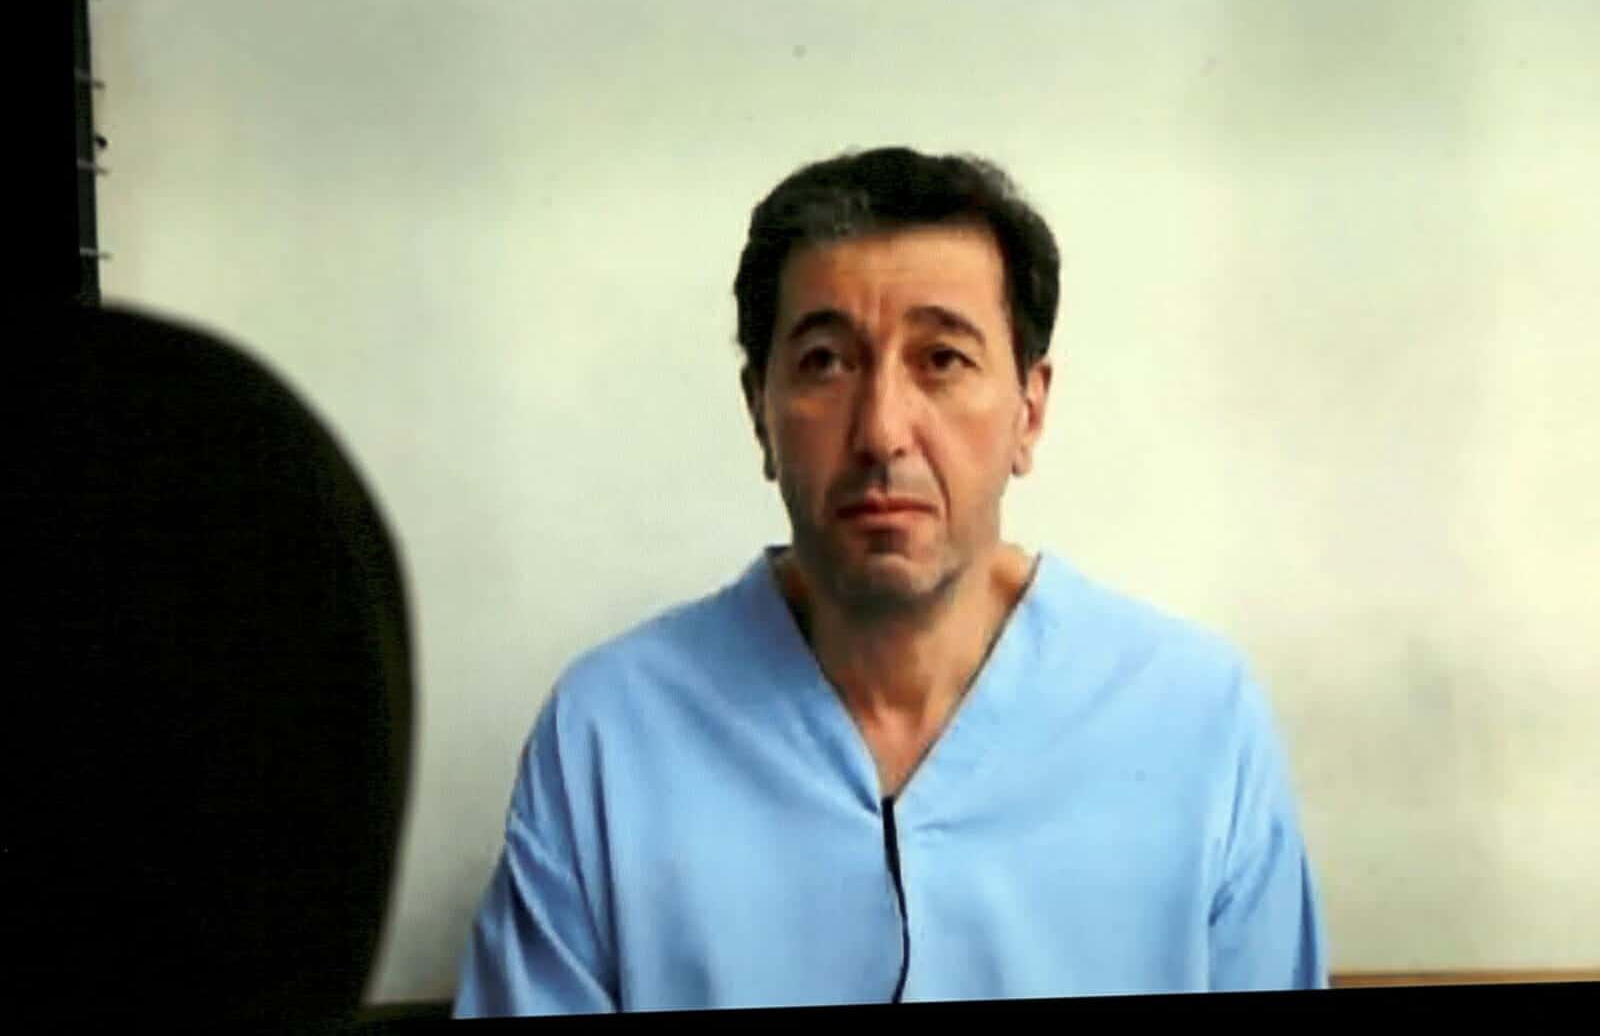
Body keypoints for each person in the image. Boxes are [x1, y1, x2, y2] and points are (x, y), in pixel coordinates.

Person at [453, 147, 1329, 1014]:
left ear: (1029, 410)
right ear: (759, 411)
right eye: (825, 362)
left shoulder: (1197, 721)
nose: (881, 431)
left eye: (941, 359)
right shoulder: (608, 735)